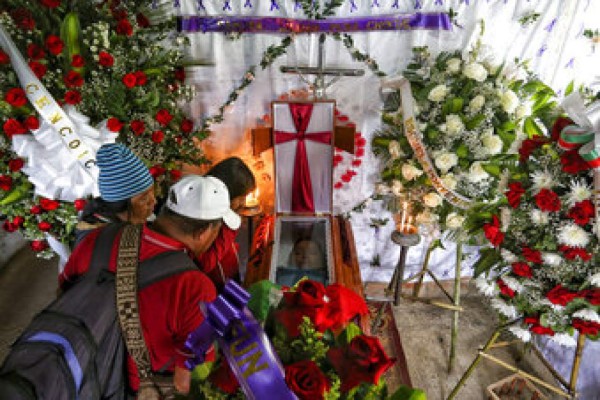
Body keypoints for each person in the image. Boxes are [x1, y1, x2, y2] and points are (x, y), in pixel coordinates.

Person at [59, 175, 241, 396]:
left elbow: (65, 291)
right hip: (130, 391)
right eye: (217, 231)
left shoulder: (99, 238)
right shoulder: (195, 287)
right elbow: (186, 383)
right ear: (202, 233)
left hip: (76, 374)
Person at [74, 143, 156, 246]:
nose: (153, 201)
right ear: (120, 205)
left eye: (153, 192)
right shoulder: (102, 242)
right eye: (144, 199)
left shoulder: (132, 220)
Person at [196, 156, 256, 289]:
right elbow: (207, 263)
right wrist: (231, 226)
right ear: (226, 193)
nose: (243, 204)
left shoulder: (224, 216)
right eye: (241, 198)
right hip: (214, 290)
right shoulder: (209, 221)